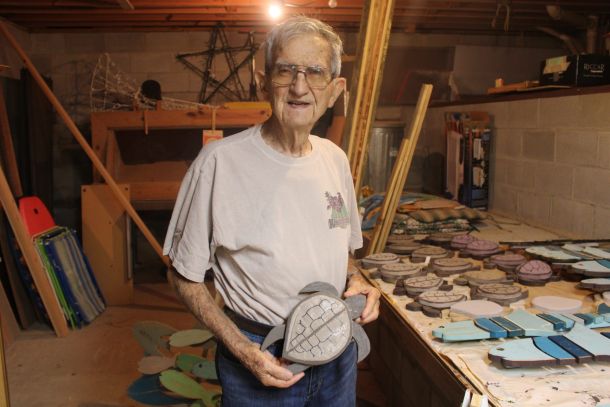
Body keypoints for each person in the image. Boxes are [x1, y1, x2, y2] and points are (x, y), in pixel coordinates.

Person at [163, 16, 380, 406]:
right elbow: (184, 278)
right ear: (263, 82)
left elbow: (341, 253)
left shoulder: (335, 159)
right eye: (285, 71)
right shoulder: (219, 164)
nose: (299, 87)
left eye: (315, 72)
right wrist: (243, 351)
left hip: (338, 352)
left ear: (334, 90)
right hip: (262, 356)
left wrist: (357, 280)